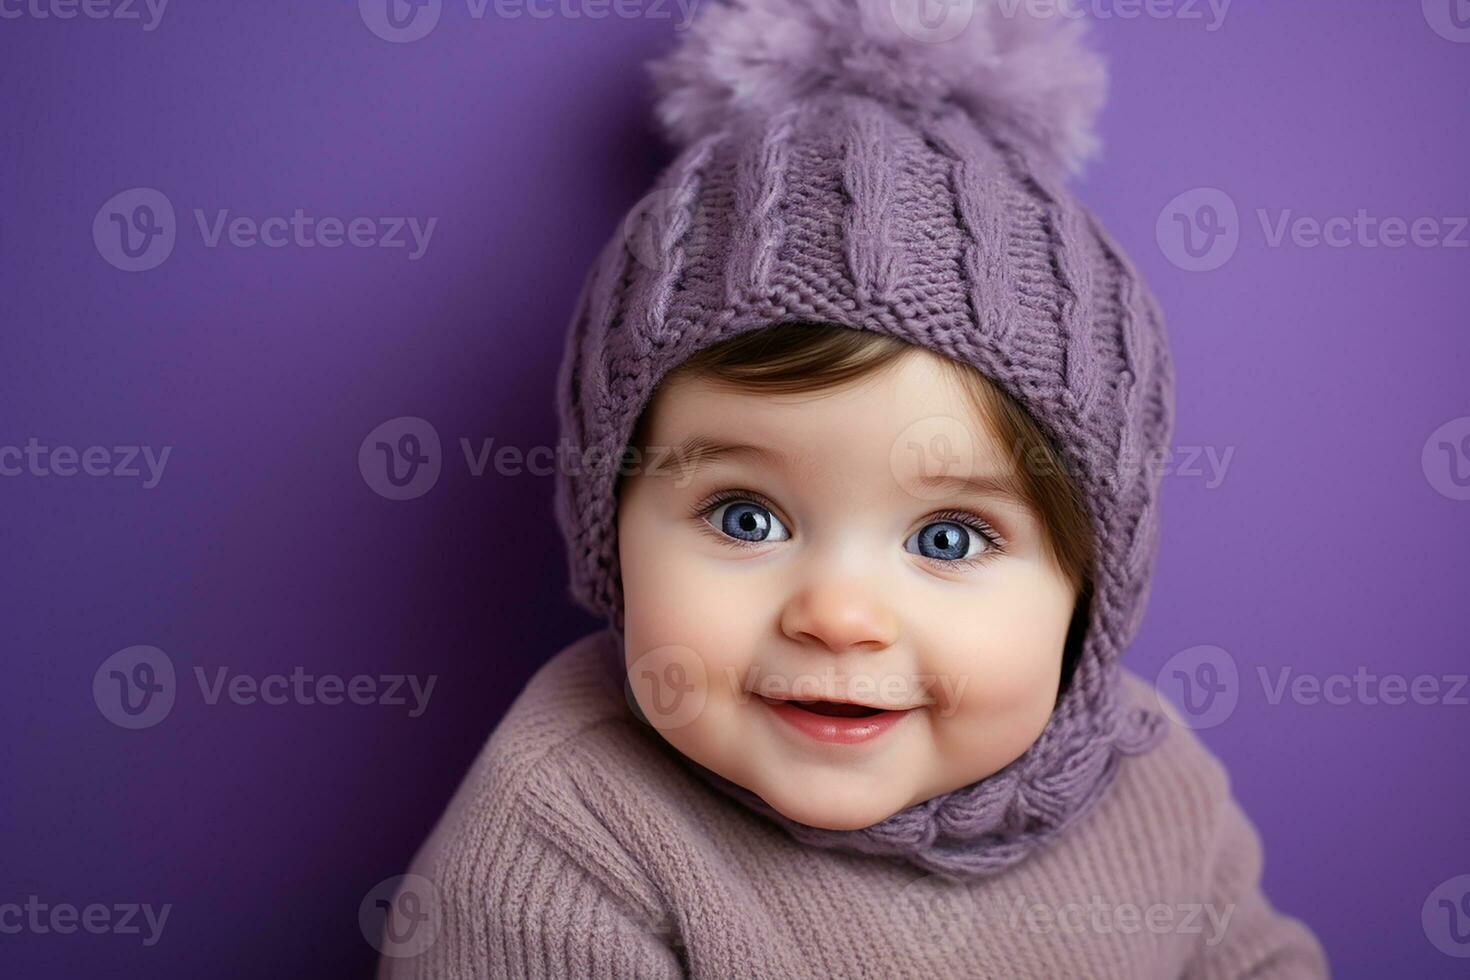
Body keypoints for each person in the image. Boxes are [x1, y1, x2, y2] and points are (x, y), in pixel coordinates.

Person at [378, 0, 1330, 975]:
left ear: (1092, 592)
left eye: (950, 537)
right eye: (746, 516)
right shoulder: (572, 819)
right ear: (608, 531)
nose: (837, 614)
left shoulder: (1150, 778)